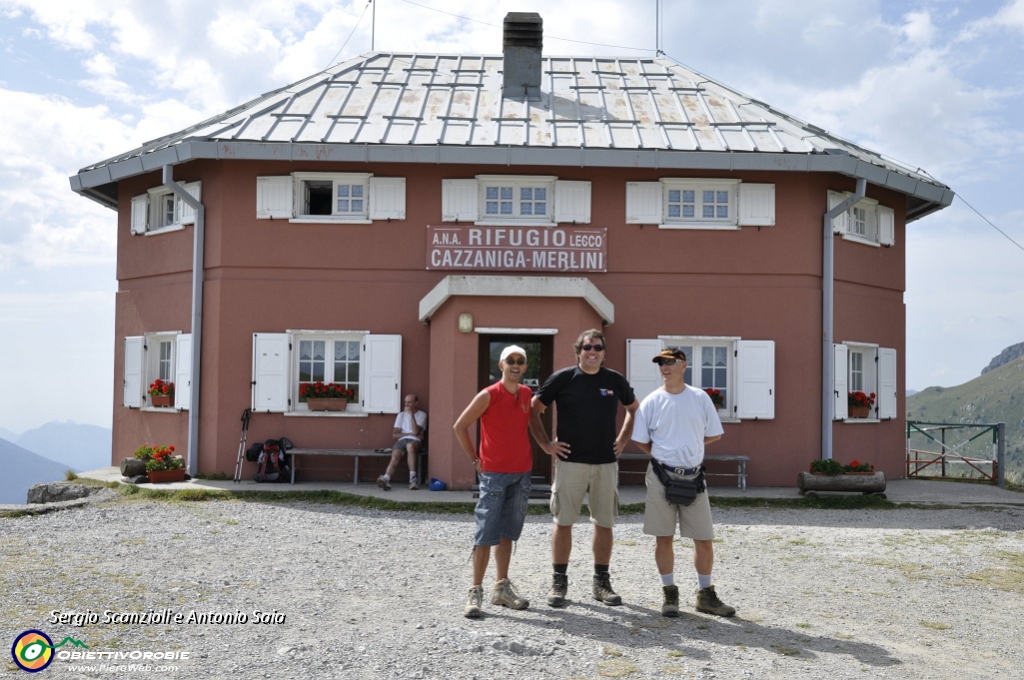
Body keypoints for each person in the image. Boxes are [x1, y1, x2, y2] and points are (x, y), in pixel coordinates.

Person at [530, 329, 638, 608]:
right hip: (570, 463)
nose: (593, 352)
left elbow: (634, 409)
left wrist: (623, 440)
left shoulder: (614, 380)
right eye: (587, 347)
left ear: (604, 352)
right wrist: (546, 444)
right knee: (563, 522)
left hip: (605, 464)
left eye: (598, 348)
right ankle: (559, 582)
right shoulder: (564, 378)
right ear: (578, 351)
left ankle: (601, 583)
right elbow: (533, 408)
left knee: (604, 523)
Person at [631, 348, 735, 618]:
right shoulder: (652, 401)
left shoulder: (699, 398)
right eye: (661, 364)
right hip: (661, 477)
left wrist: (688, 446)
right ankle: (669, 593)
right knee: (663, 537)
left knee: (704, 538)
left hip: (693, 477)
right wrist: (664, 452)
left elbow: (713, 434)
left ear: (683, 365)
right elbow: (641, 439)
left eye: (670, 362)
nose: (665, 368)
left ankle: (705, 595)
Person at [453, 345, 535, 619]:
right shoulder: (488, 395)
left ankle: (501, 588)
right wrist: (475, 459)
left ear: (525, 367)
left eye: (520, 361)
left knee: (508, 532)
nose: (515, 365)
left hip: (522, 473)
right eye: (510, 360)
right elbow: (460, 426)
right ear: (501, 365)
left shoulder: (526, 394)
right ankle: (475, 590)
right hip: (494, 475)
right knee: (485, 532)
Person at [377, 394, 427, 490]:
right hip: (402, 441)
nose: (406, 404)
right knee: (395, 456)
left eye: (409, 402)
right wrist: (410, 434)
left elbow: (416, 431)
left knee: (410, 446)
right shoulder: (401, 415)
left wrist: (411, 414)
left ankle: (413, 479)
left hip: (415, 441)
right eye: (405, 402)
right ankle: (386, 478)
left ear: (416, 403)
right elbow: (395, 434)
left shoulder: (422, 415)